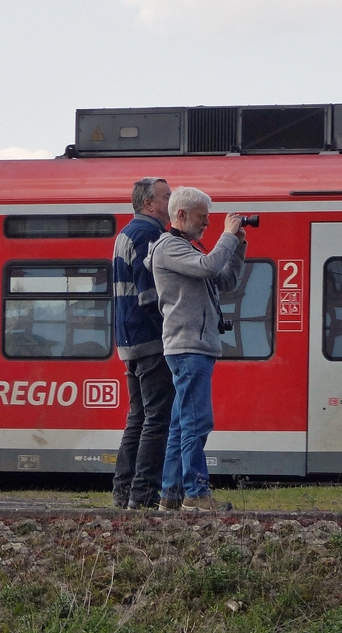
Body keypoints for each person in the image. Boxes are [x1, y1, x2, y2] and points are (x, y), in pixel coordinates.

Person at [148, 186, 247, 512]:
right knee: (197, 422)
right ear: (181, 215)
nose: (207, 225)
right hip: (189, 348)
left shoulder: (187, 250)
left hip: (195, 346)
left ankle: (171, 496)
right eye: (202, 219)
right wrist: (228, 236)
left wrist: (239, 242)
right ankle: (196, 494)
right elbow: (208, 266)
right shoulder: (170, 249)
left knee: (181, 425)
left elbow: (226, 279)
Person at [111, 177, 175, 509]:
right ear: (149, 203)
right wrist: (171, 333)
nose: (171, 201)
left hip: (129, 342)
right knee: (156, 419)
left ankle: (123, 492)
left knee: (138, 417)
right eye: (167, 196)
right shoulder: (150, 235)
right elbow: (151, 296)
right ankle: (145, 493)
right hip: (151, 342)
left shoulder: (125, 233)